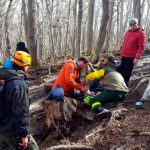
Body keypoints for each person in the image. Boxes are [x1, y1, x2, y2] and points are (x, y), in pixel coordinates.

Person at [0, 51, 39, 150]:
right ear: (25, 66)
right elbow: (21, 111)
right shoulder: (18, 84)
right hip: (12, 131)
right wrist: (23, 134)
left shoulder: (4, 78)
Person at [117, 18, 146, 85]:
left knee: (126, 73)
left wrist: (137, 57)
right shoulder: (128, 32)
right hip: (124, 55)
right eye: (131, 25)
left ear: (137, 24)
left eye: (134, 25)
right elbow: (125, 43)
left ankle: (123, 89)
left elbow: (141, 47)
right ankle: (118, 85)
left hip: (131, 57)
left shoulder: (141, 33)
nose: (132, 26)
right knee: (120, 70)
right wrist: (121, 52)